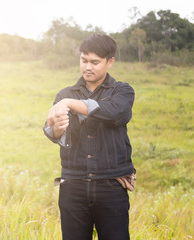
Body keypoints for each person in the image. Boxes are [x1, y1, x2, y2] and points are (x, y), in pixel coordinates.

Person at [43, 34, 135, 240]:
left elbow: (114, 113)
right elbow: (53, 133)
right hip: (73, 186)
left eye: (95, 62)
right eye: (84, 61)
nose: (88, 67)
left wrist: (69, 103)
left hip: (111, 185)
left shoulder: (122, 91)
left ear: (109, 61)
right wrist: (57, 128)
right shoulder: (65, 93)